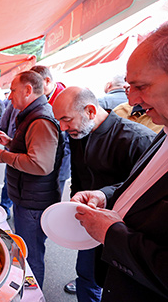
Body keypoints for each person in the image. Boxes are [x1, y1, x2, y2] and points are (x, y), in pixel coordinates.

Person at [71, 23, 168, 301]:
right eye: (129, 87)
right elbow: (140, 188)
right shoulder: (163, 132)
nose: (133, 101)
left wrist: (112, 234)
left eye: (141, 87)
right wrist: (105, 195)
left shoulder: (138, 134)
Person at [53, 87, 155, 302]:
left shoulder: (138, 139)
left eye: (66, 119)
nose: (63, 128)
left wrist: (104, 196)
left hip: (122, 234)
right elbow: (78, 175)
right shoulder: (79, 132)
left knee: (111, 286)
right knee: (86, 277)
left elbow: (143, 191)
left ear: (90, 111)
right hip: (87, 226)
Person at [0, 70, 64, 288]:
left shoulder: (41, 119)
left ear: (28, 90)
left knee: (30, 255)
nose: (10, 97)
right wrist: (11, 142)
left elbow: (40, 165)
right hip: (28, 196)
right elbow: (32, 150)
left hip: (34, 201)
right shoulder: (32, 114)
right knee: (26, 249)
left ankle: (33, 292)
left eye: (13, 90)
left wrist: (4, 155)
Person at [30, 64, 70, 194]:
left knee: (53, 194)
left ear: (47, 80)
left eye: (37, 84)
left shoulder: (66, 98)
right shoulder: (42, 98)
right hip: (41, 157)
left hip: (60, 158)